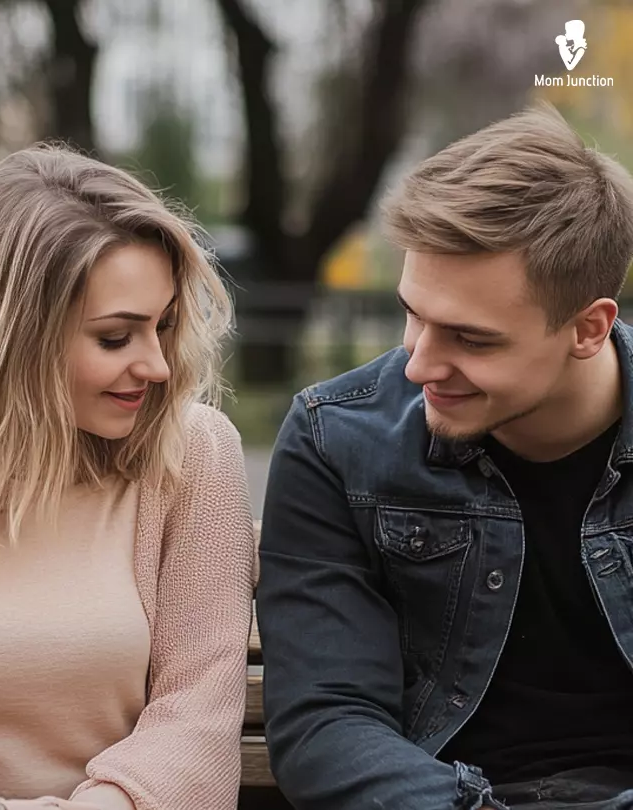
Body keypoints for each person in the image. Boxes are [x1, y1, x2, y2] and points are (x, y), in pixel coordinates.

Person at [256, 104, 633, 810]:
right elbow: (328, 723)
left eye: (470, 338)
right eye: (413, 313)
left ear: (588, 328)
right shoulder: (335, 440)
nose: (418, 365)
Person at [0, 144, 256, 810]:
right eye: (114, 337)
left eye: (161, 326)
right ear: (15, 336)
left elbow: (199, 712)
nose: (157, 366)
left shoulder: (193, 456)